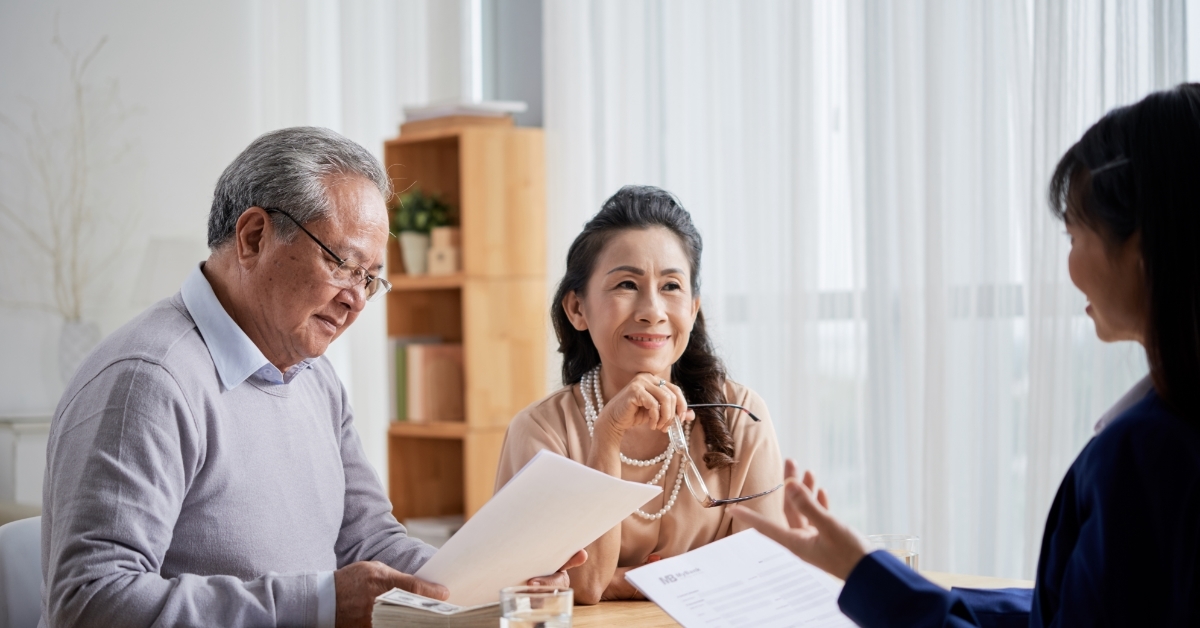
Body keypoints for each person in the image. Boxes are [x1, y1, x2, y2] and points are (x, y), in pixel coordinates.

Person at [39, 127, 582, 628]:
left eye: (370, 280)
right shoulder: (148, 382)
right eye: (343, 265)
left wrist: (491, 579)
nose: (355, 300)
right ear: (253, 237)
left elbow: (367, 540)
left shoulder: (313, 377)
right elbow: (89, 601)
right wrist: (318, 603)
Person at [732, 83, 1200, 626]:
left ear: (1143, 250)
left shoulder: (1145, 451)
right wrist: (869, 570)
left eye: (1074, 236)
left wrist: (864, 575)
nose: (1069, 268)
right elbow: (1064, 611)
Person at [494, 185, 787, 604]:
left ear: (693, 307)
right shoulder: (541, 432)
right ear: (577, 308)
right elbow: (580, 587)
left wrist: (627, 580)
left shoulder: (742, 416)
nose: (652, 310)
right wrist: (608, 435)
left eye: (671, 286)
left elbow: (762, 570)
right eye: (627, 284)